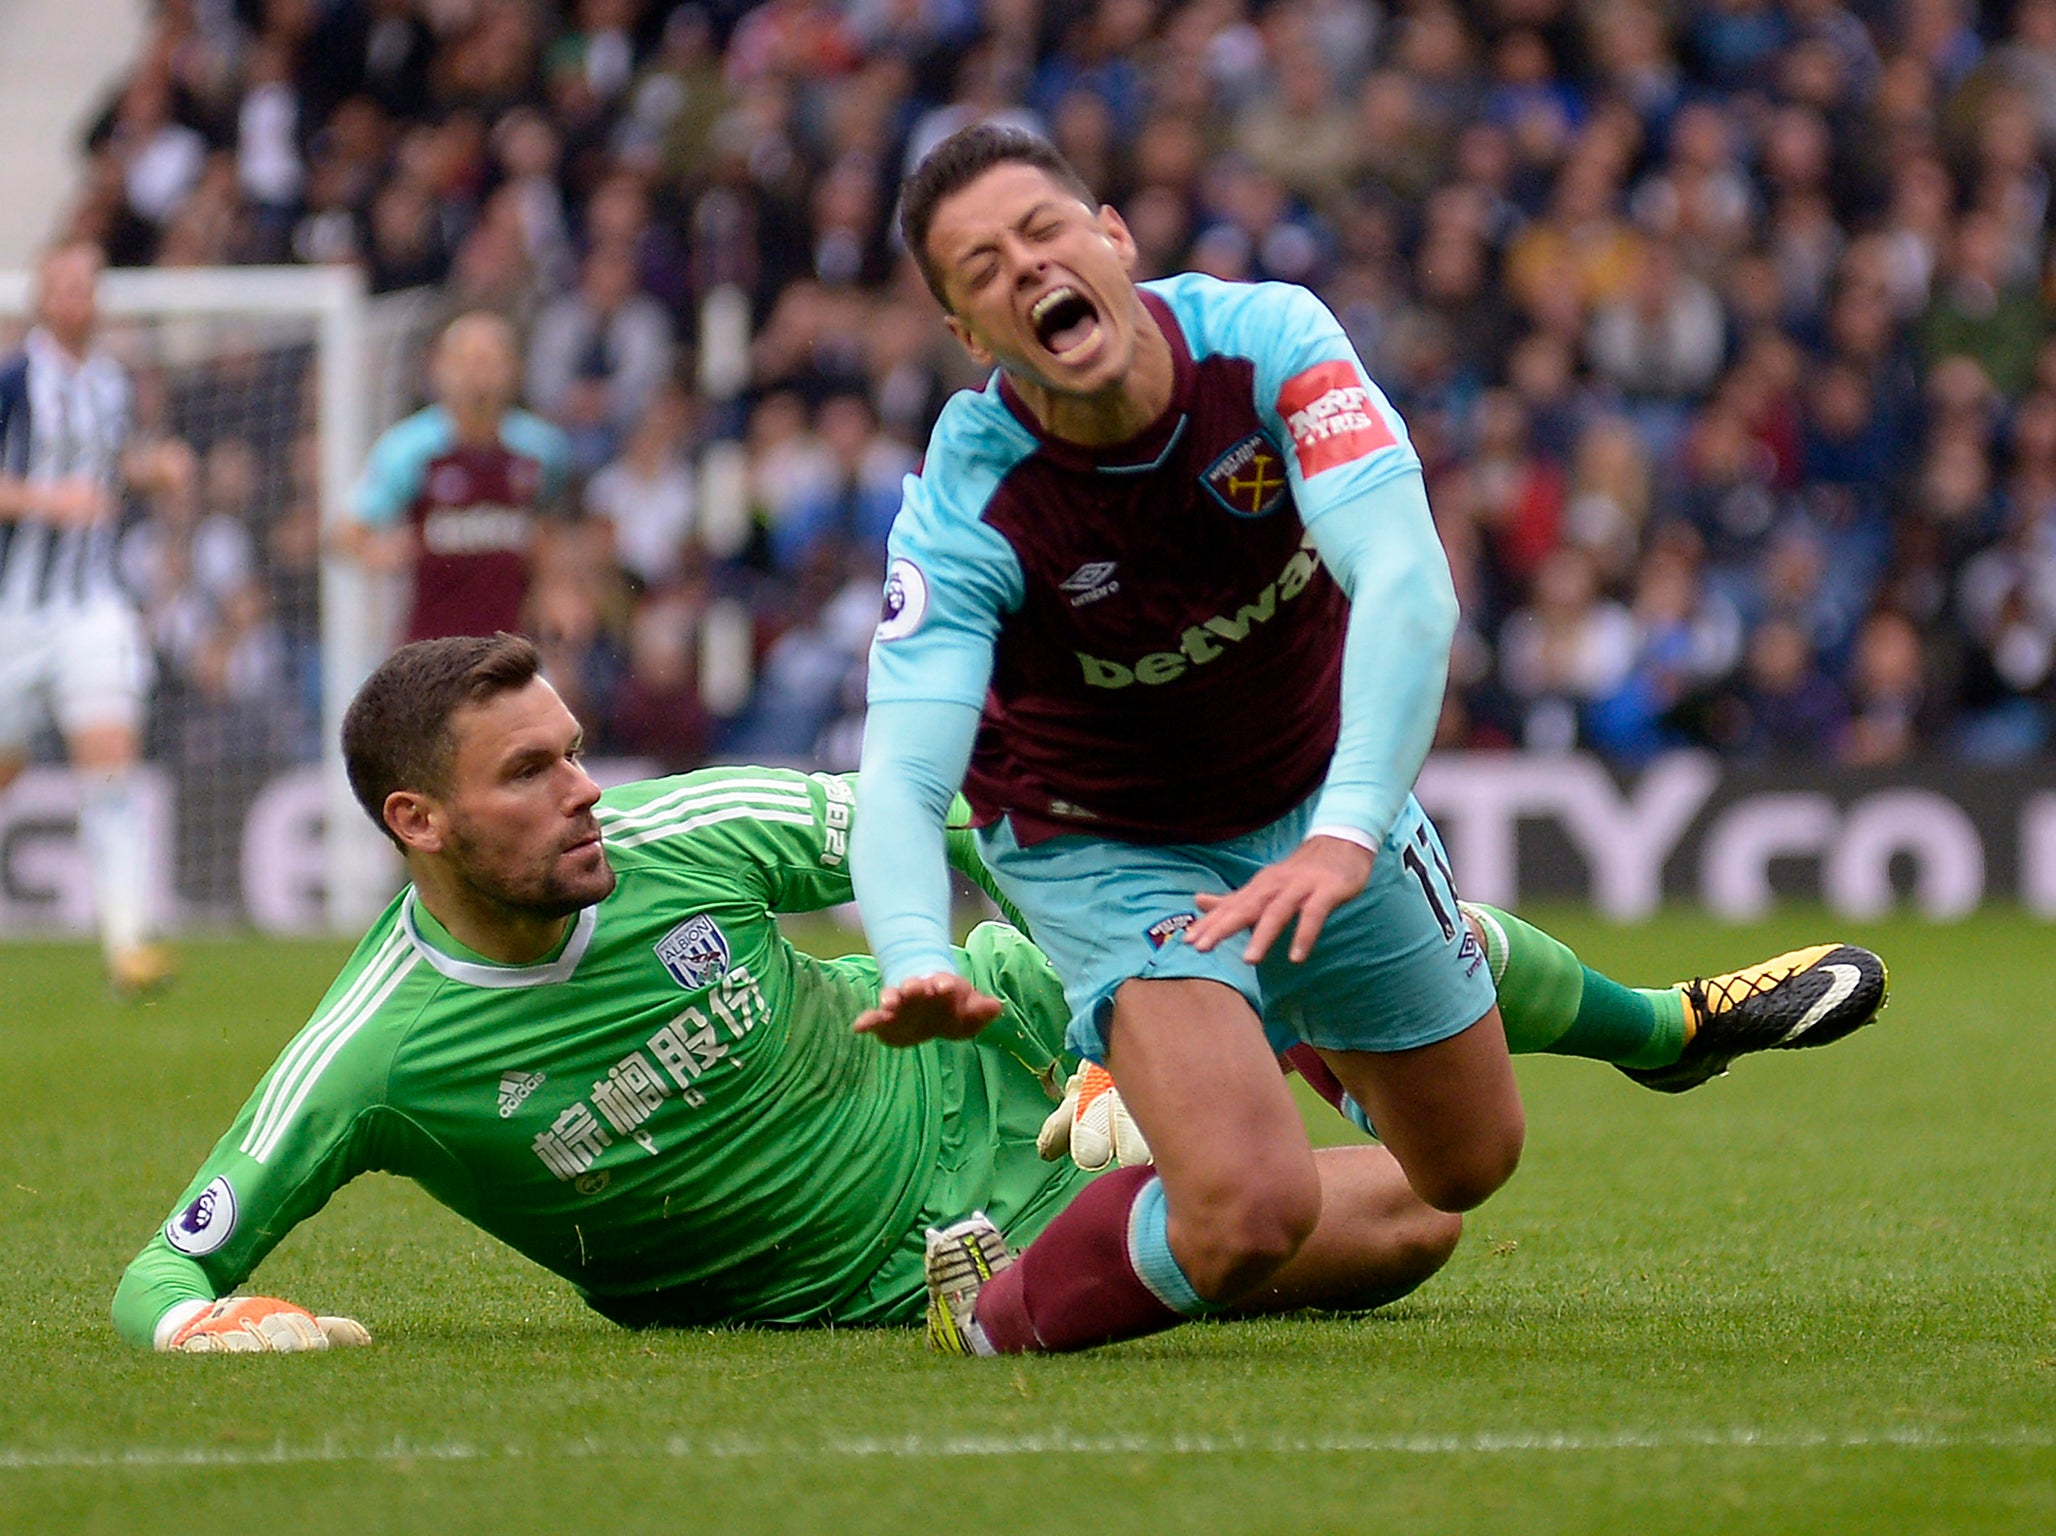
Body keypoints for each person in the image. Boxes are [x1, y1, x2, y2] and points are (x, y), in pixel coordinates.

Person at [848, 126, 1888, 1357]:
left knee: (1459, 1169)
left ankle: (1313, 1032)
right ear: (970, 337)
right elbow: (904, 777)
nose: (1024, 269)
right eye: (980, 270)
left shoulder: (1269, 343)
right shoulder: (971, 499)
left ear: (1111, 235)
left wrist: (1346, 827)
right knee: (1248, 1211)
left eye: (1041, 231)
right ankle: (995, 1314)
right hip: (1103, 840)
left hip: (1305, 795)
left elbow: (1403, 581)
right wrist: (914, 951)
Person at [111, 633, 1459, 1352]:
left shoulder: (687, 829)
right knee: (1409, 1225)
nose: (583, 788)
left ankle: (1608, 1021)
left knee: (1390, 1087)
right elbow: (169, 1266)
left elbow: (969, 818)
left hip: (995, 1049)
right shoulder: (377, 1051)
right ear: (418, 821)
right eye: (529, 773)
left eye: (574, 752)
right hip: (878, 1282)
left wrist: (1111, 1002)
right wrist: (205, 1323)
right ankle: (1091, 1246)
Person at [0, 242, 188, 992]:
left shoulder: (112, 383)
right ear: (43, 298)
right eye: (63, 287)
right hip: (14, 612)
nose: (76, 300)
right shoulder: (14, 378)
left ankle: (128, 945)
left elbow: (110, 472)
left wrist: (154, 468)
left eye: (87, 286)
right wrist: (49, 500)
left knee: (110, 766)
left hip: (93, 609)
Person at [340, 312, 572, 642]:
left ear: (514, 370)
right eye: (467, 361)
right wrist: (385, 552)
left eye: (490, 362)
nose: (478, 375)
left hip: (512, 650)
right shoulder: (408, 450)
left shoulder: (542, 449)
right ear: (440, 369)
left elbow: (551, 526)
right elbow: (347, 534)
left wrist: (554, 587)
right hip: (429, 649)